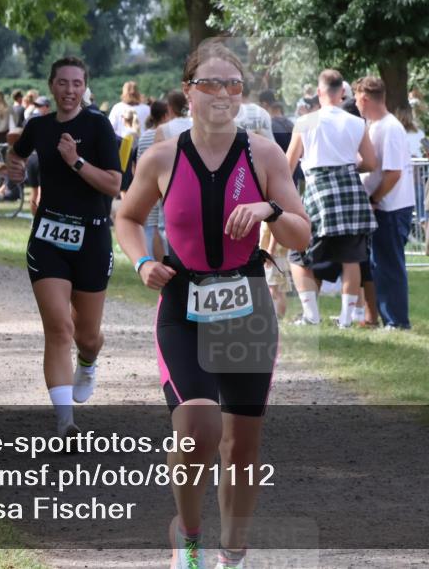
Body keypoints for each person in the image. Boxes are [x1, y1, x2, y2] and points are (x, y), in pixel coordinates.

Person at [113, 41, 310, 569]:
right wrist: (141, 263)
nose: (223, 94)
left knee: (241, 449)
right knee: (198, 428)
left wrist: (268, 208)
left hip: (245, 301)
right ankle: (190, 534)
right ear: (188, 92)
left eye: (233, 85)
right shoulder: (161, 156)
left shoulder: (263, 153)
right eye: (211, 84)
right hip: (184, 302)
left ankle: (233, 556)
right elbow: (127, 218)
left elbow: (302, 234)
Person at [6, 56, 121, 439]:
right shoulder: (38, 126)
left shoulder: (99, 125)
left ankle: (88, 362)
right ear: (52, 86)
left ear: (85, 87)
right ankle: (65, 420)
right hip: (48, 237)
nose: (69, 90)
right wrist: (15, 168)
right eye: (62, 83)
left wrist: (75, 162)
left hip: (91, 238)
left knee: (86, 335)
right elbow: (16, 152)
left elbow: (112, 185)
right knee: (58, 327)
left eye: (76, 83)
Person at [286, 69, 377, 328]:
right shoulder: (356, 122)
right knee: (351, 258)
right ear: (343, 93)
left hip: (318, 191)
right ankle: (347, 319)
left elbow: (288, 164)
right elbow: (370, 161)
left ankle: (311, 315)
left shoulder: (306, 122)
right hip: (350, 189)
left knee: (298, 255)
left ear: (319, 92)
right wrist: (346, 168)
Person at [355, 76, 414, 330]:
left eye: (357, 98)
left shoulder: (389, 128)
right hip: (384, 205)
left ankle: (398, 320)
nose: (355, 103)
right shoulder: (376, 126)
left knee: (390, 265)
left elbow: (393, 173)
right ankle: (386, 316)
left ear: (365, 98)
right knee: (380, 264)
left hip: (390, 207)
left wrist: (374, 198)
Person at [134, 100, 169, 259]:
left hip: (148, 187)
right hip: (163, 186)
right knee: (163, 227)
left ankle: (151, 260)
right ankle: (165, 260)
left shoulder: (144, 137)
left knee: (150, 226)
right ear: (165, 115)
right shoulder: (168, 135)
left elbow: (139, 164)